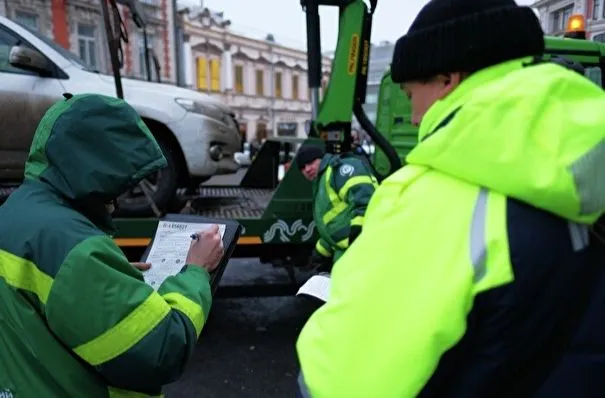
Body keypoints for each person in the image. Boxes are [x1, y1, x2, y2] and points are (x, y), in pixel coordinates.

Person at [295, 0, 605, 397]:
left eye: (410, 94)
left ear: (447, 79)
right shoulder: (584, 170)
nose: (413, 117)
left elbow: (340, 383)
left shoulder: (428, 199)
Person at [0, 93, 224, 397]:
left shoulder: (15, 211)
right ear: (94, 169)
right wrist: (196, 271)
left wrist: (104, 276)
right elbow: (161, 350)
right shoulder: (72, 247)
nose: (116, 203)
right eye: (116, 185)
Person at [296, 144, 378, 272]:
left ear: (321, 159)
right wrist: (318, 254)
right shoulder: (321, 184)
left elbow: (366, 202)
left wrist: (356, 238)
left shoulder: (339, 169)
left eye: (310, 162)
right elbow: (334, 227)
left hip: (360, 251)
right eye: (302, 168)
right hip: (346, 253)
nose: (307, 169)